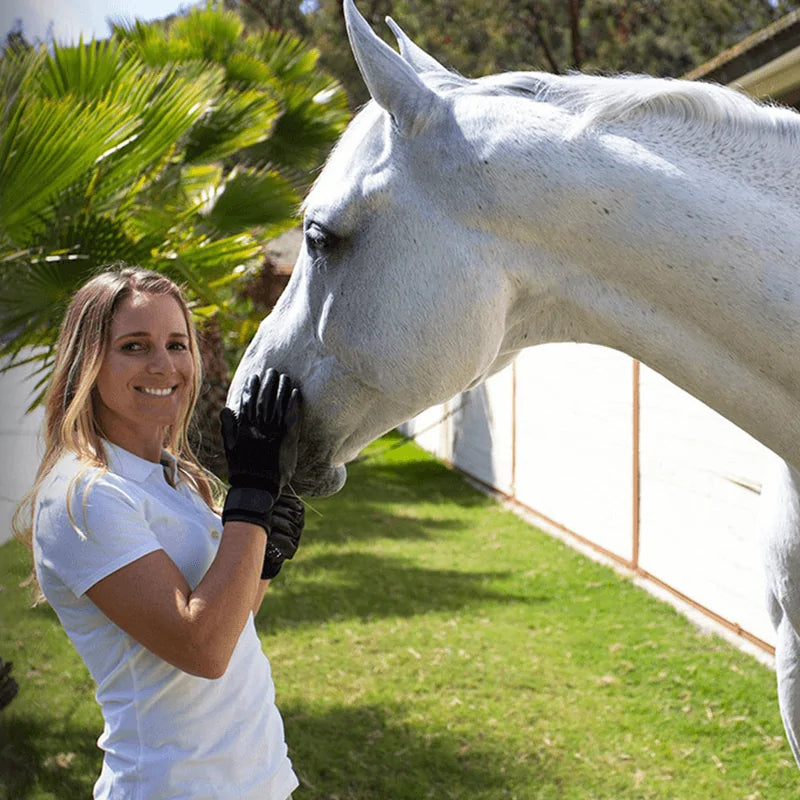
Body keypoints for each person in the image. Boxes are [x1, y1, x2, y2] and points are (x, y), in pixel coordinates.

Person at [14, 265, 305, 799]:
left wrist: (263, 556)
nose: (163, 364)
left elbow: (230, 621)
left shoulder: (178, 476)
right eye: (134, 346)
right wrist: (249, 499)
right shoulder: (84, 495)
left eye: (177, 343)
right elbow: (203, 649)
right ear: (88, 364)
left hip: (257, 778)